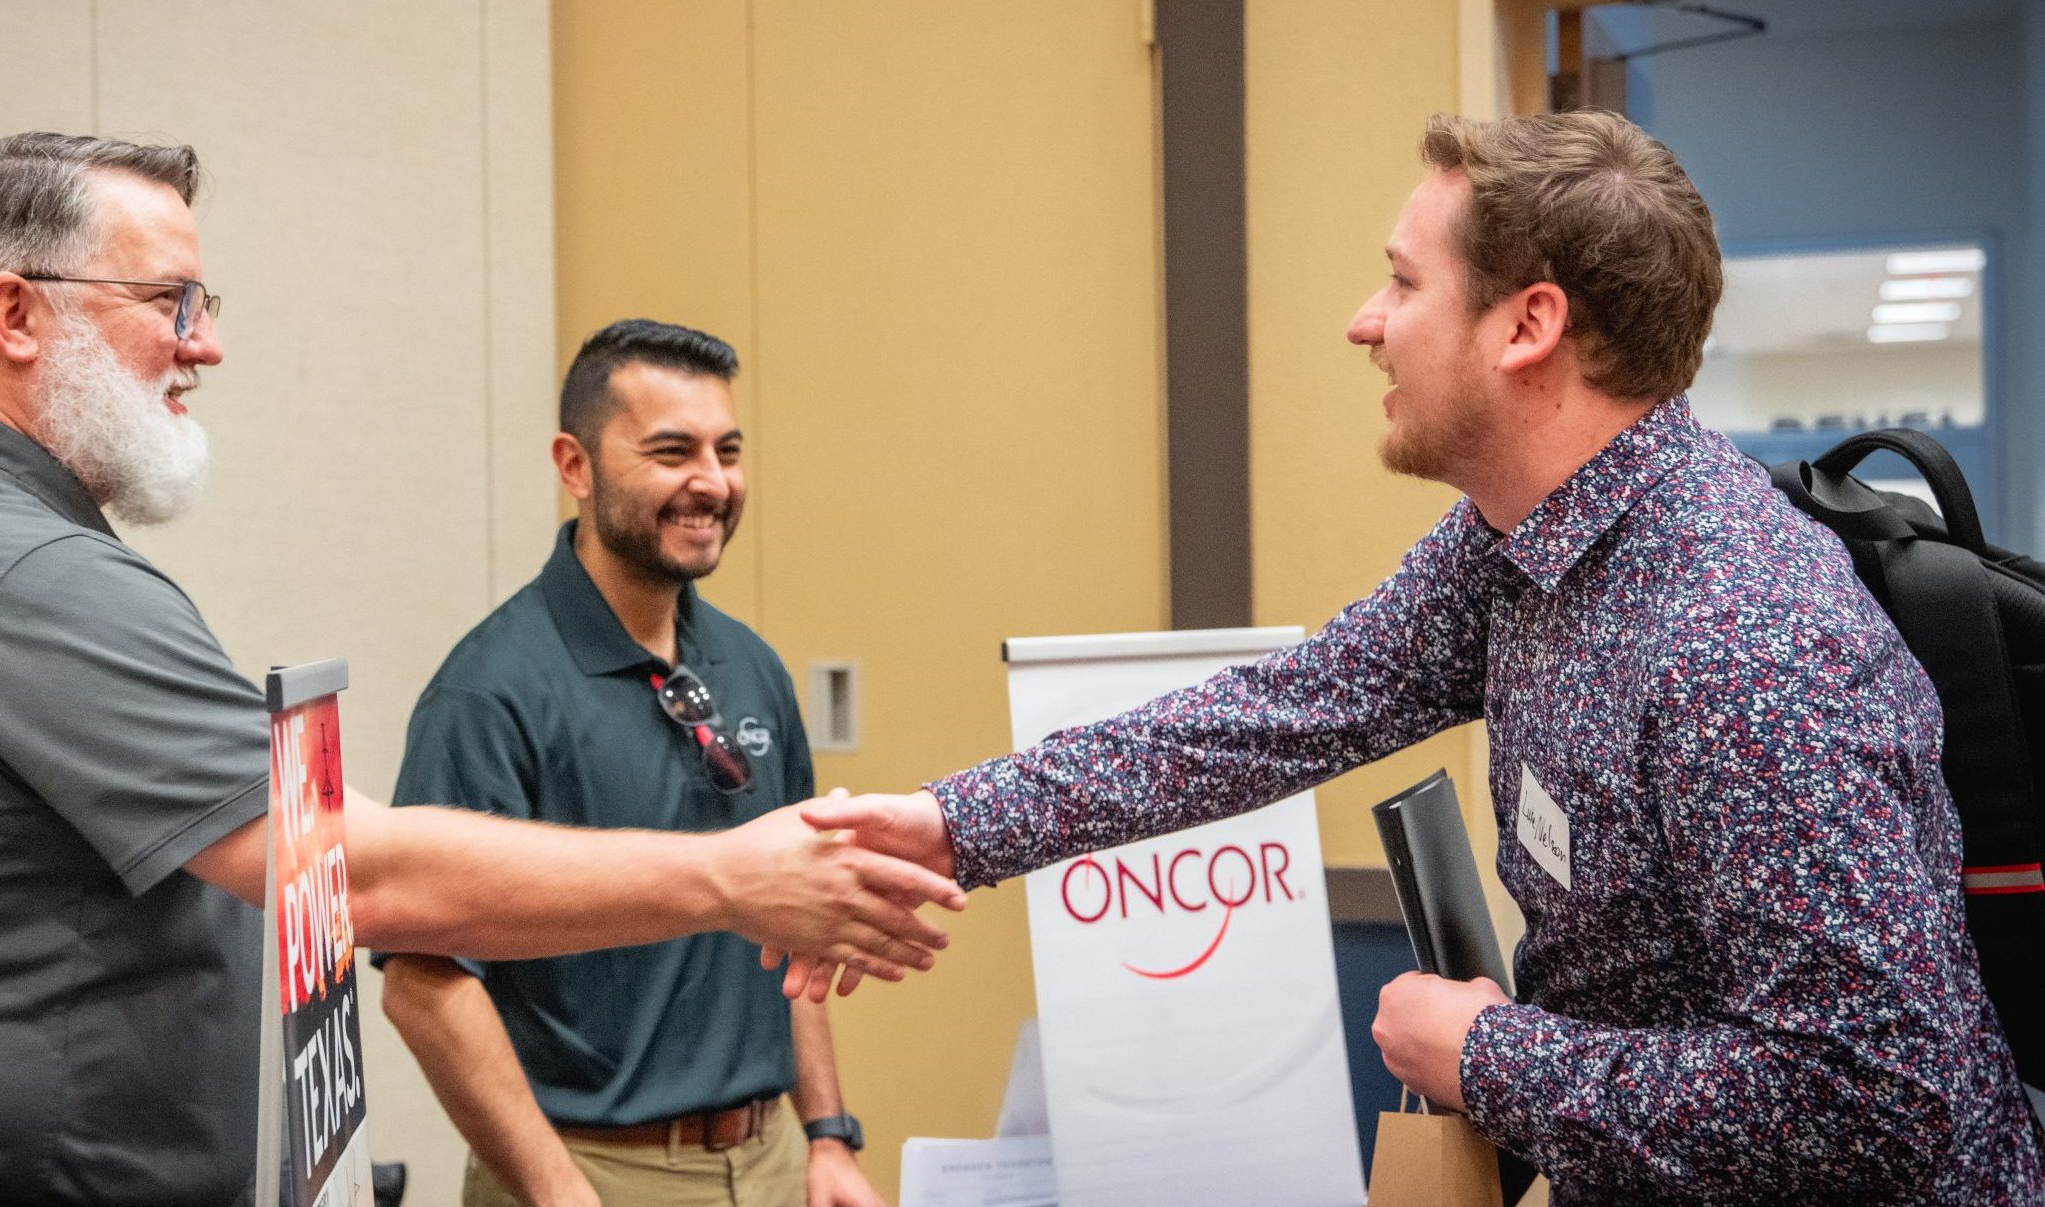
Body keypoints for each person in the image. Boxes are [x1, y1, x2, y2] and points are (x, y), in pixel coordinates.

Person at [798, 111, 2045, 1204]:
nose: (1364, 322)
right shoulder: (1521, 544)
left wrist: (1488, 1053)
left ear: (1526, 325)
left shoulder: (1744, 639)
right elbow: (1283, 711)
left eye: (1401, 283)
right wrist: (948, 824)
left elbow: (1871, 1096)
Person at [0, 133, 962, 1207]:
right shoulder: (21, 573)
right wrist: (725, 876)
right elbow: (345, 872)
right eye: (170, 300)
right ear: (15, 317)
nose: (204, 344)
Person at [380, 320, 882, 1207]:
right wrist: (557, 1189)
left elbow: (796, 926)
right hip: (590, 1172)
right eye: (672, 451)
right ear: (575, 466)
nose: (713, 483)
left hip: (768, 1160)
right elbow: (424, 985)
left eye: (728, 450)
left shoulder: (750, 665)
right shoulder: (489, 691)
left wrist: (826, 1136)